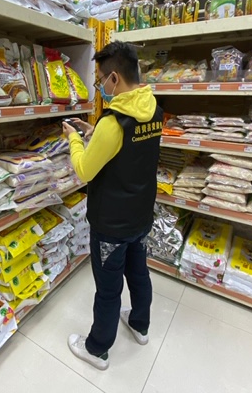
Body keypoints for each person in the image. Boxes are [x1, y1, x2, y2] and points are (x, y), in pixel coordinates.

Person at [61, 40, 163, 370]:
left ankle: (97, 348)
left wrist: (74, 139)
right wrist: (95, 132)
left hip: (111, 225)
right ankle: (140, 325)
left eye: (100, 80)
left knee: (108, 289)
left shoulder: (113, 122)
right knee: (139, 273)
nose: (100, 86)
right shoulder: (153, 108)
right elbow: (130, 149)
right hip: (140, 215)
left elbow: (84, 170)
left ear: (114, 78)